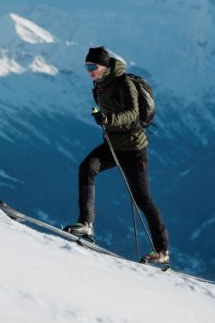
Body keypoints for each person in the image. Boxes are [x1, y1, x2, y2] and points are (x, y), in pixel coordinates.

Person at [63, 46, 170, 266]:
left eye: (92, 66)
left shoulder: (124, 83)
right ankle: (86, 224)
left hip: (134, 149)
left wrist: (108, 120)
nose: (89, 71)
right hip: (113, 145)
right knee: (87, 167)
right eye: (87, 67)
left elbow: (132, 113)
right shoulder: (99, 86)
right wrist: (105, 120)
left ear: (104, 66)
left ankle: (162, 251)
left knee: (142, 199)